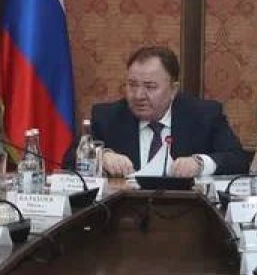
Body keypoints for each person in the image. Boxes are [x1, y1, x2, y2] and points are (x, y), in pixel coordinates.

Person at [86, 46, 248, 178]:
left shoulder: (204, 115)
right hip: (124, 207)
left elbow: (238, 160)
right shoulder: (107, 117)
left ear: (173, 89)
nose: (139, 95)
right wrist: (100, 156)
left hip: (185, 207)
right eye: (132, 85)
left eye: (150, 87)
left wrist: (200, 163)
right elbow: (74, 156)